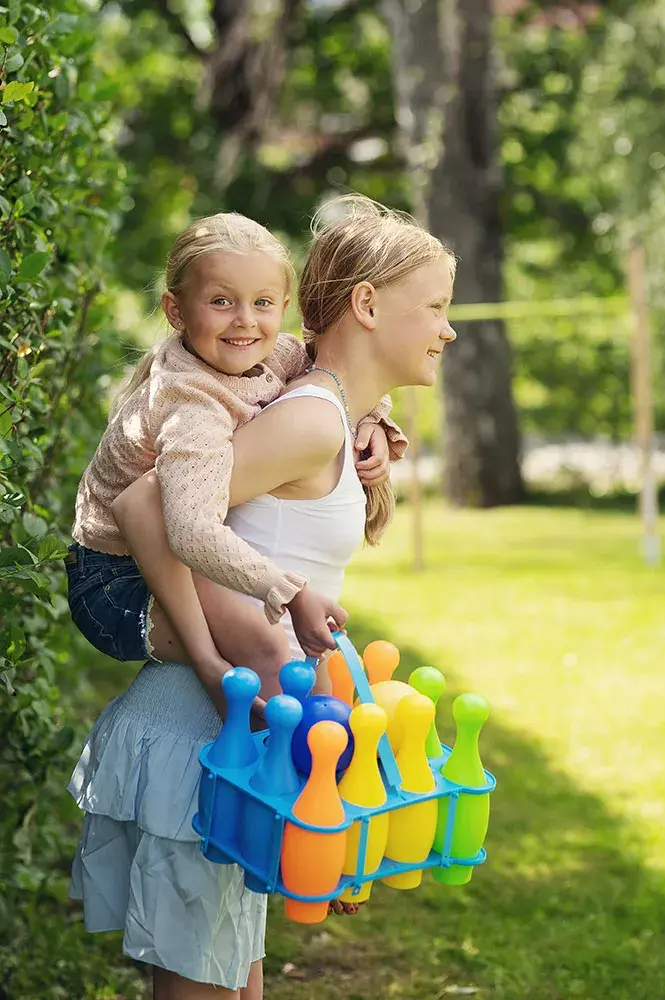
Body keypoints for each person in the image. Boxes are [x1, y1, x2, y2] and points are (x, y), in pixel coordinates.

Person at [68, 195, 457, 1000]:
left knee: (242, 990)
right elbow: (147, 506)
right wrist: (213, 655)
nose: (449, 328)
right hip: (206, 728)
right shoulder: (310, 420)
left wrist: (375, 424)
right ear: (369, 305)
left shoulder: (315, 403)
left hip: (243, 728)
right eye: (439, 307)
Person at [65, 211, 407, 714]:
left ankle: (303, 757)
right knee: (268, 648)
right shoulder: (192, 408)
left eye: (262, 303)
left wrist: (374, 420)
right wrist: (287, 593)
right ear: (176, 311)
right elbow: (189, 532)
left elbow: (341, 372)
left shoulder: (274, 354)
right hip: (114, 581)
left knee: (285, 657)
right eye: (221, 302)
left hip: (161, 546)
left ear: (283, 307)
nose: (245, 320)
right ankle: (243, 734)